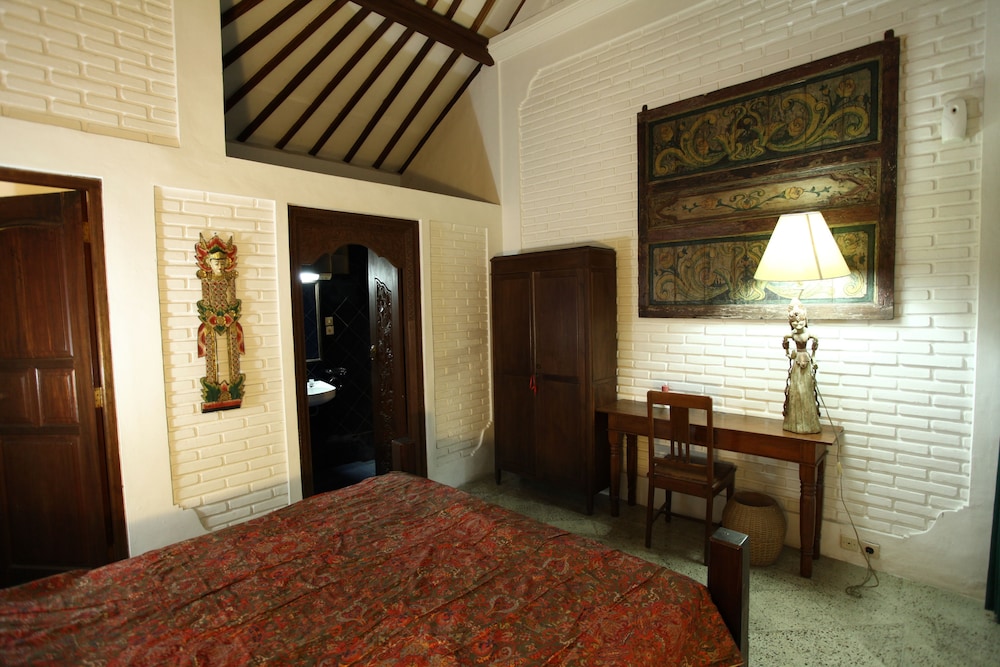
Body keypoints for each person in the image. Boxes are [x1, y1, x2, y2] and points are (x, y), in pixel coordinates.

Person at [782, 300, 821, 433]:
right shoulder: (792, 334)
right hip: (797, 361)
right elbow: (785, 343)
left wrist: (814, 358)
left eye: (801, 321)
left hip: (806, 359)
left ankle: (809, 422)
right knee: (796, 390)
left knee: (806, 390)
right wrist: (789, 353)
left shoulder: (809, 334)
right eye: (794, 322)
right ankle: (793, 422)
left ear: (805, 319)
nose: (798, 324)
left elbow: (815, 344)